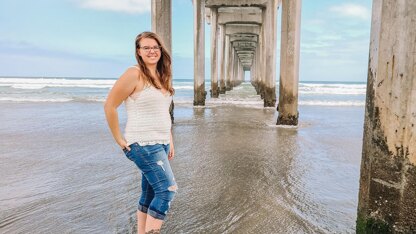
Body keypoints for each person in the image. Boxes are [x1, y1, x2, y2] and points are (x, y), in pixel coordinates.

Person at [104, 31, 177, 234]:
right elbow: (110, 105)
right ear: (139, 51)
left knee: (150, 193)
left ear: (161, 50)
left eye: (155, 47)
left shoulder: (163, 75)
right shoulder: (134, 73)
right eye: (146, 47)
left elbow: (163, 112)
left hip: (161, 142)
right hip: (143, 144)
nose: (152, 51)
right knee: (167, 190)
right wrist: (119, 138)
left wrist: (169, 139)